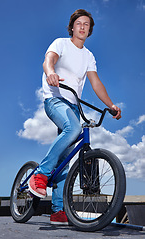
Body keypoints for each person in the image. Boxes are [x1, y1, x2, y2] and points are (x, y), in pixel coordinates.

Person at [29, 9, 121, 225]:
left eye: (86, 24)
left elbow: (96, 83)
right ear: (72, 27)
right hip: (54, 99)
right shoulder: (61, 43)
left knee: (66, 159)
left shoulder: (88, 56)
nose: (82, 27)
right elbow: (48, 60)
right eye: (78, 23)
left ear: (89, 30)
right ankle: (40, 174)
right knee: (74, 129)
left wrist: (111, 105)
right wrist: (50, 72)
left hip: (72, 104)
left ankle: (58, 211)